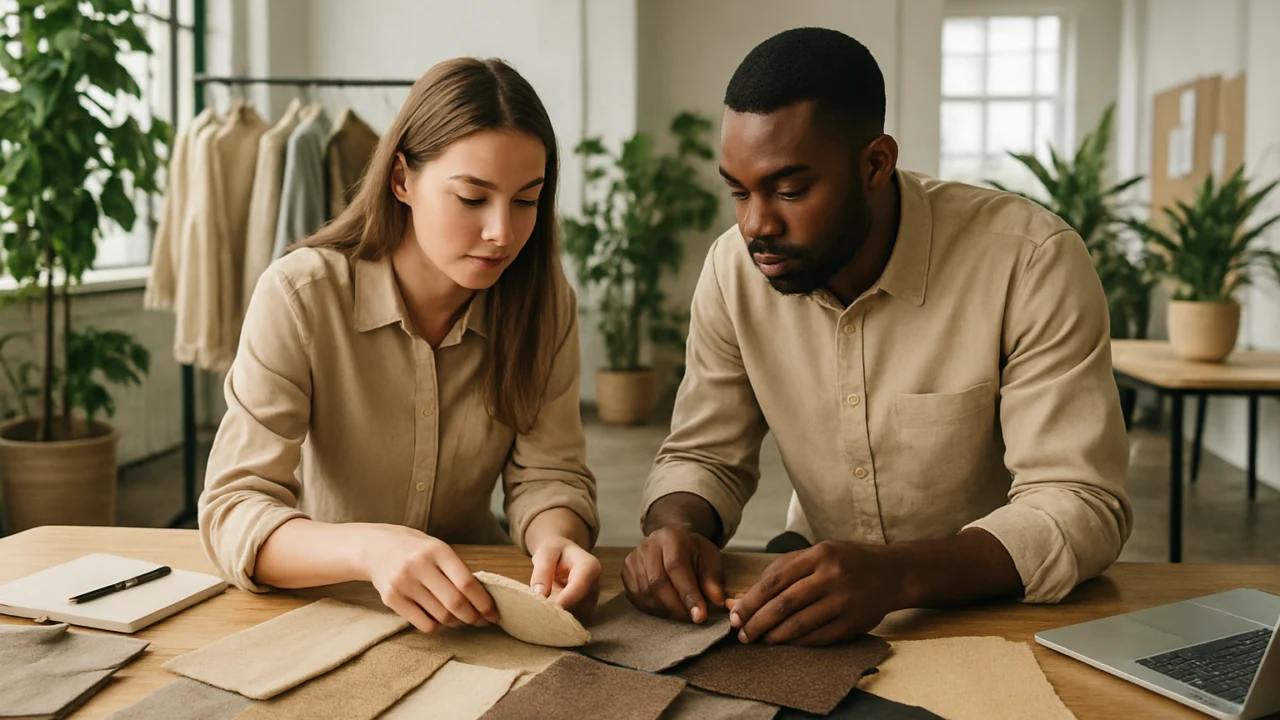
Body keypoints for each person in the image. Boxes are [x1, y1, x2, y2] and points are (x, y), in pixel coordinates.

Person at [624, 27, 1132, 646]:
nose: (756, 223)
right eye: (738, 191)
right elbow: (704, 456)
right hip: (816, 600)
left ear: (875, 163)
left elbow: (1079, 504)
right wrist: (676, 530)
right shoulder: (733, 270)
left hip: (997, 610)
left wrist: (898, 577)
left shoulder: (1029, 261)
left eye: (789, 190)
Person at [199, 58, 602, 633]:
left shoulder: (544, 303)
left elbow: (549, 474)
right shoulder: (299, 296)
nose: (503, 233)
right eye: (471, 197)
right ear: (402, 179)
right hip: (324, 605)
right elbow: (233, 511)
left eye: (526, 200)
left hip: (473, 611)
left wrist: (557, 541)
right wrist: (370, 550)